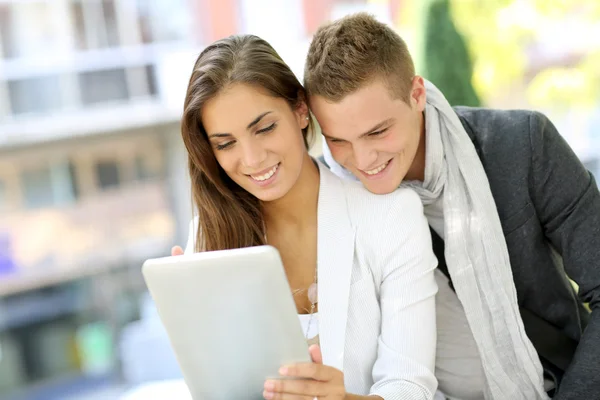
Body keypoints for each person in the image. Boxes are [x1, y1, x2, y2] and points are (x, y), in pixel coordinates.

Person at [305, 12, 600, 400]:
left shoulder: (523, 146)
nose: (361, 159)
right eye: (338, 140)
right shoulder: (327, 196)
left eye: (378, 131)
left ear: (416, 94)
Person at [171, 34, 441, 400]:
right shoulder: (210, 234)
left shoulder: (390, 216)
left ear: (300, 110)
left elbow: (411, 385)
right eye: (226, 143)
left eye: (264, 128)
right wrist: (195, 330)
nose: (252, 159)